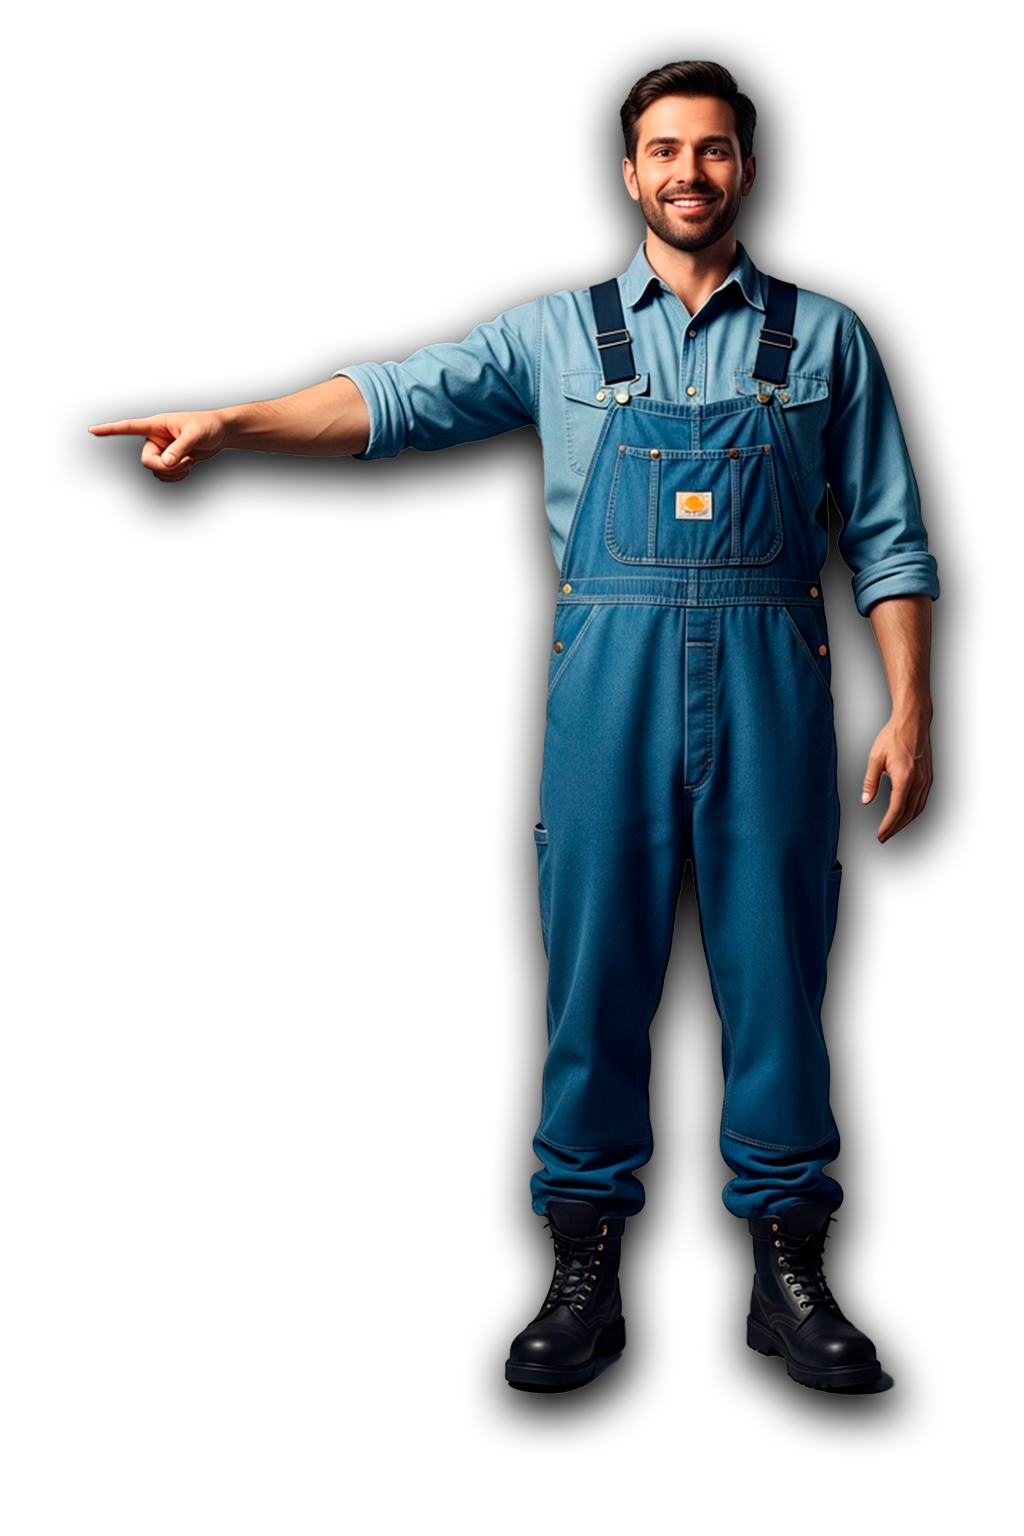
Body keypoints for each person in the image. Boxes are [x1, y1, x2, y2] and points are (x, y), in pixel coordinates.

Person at [88, 59, 937, 1398]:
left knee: (780, 977)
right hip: (606, 693)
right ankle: (582, 1269)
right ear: (629, 174)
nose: (691, 173)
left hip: (777, 688)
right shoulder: (557, 334)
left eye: (715, 150)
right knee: (594, 978)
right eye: (667, 150)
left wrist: (912, 708)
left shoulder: (827, 337)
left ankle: (790, 1272)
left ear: (748, 171)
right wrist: (233, 424)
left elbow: (888, 536)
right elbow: (395, 399)